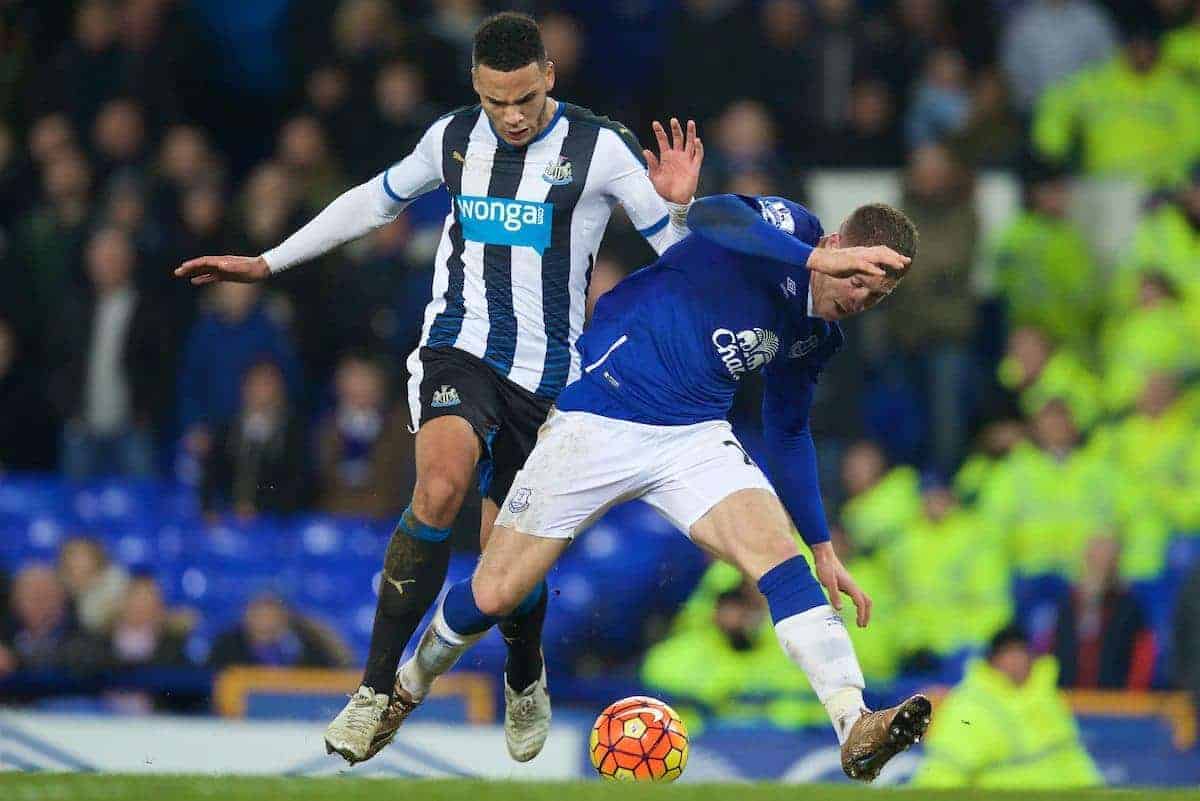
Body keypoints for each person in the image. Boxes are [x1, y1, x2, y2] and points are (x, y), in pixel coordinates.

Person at [174, 12, 703, 765]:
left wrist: (678, 204)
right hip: (459, 350)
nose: (512, 116)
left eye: (524, 97)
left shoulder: (602, 147)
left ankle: (526, 671)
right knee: (439, 489)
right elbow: (374, 199)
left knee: (502, 558)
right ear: (476, 88)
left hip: (551, 380)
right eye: (497, 101)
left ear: (549, 76)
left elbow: (677, 257)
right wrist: (268, 262)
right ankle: (373, 689)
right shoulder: (453, 137)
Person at [388, 193, 926, 783]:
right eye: (856, 279)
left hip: (693, 436)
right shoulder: (791, 229)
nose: (858, 301)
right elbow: (712, 216)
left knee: (784, 563)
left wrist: (822, 544)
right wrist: (811, 262)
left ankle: (855, 723)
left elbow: (789, 429)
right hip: (601, 413)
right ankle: (406, 685)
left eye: (874, 297)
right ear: (832, 247)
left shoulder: (818, 337)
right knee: (493, 594)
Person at [913, 626, 1103, 788]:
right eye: (1009, 653)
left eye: (1022, 652)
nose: (1017, 660)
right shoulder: (969, 707)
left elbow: (1073, 758)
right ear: (992, 660)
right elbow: (944, 772)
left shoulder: (1046, 698)